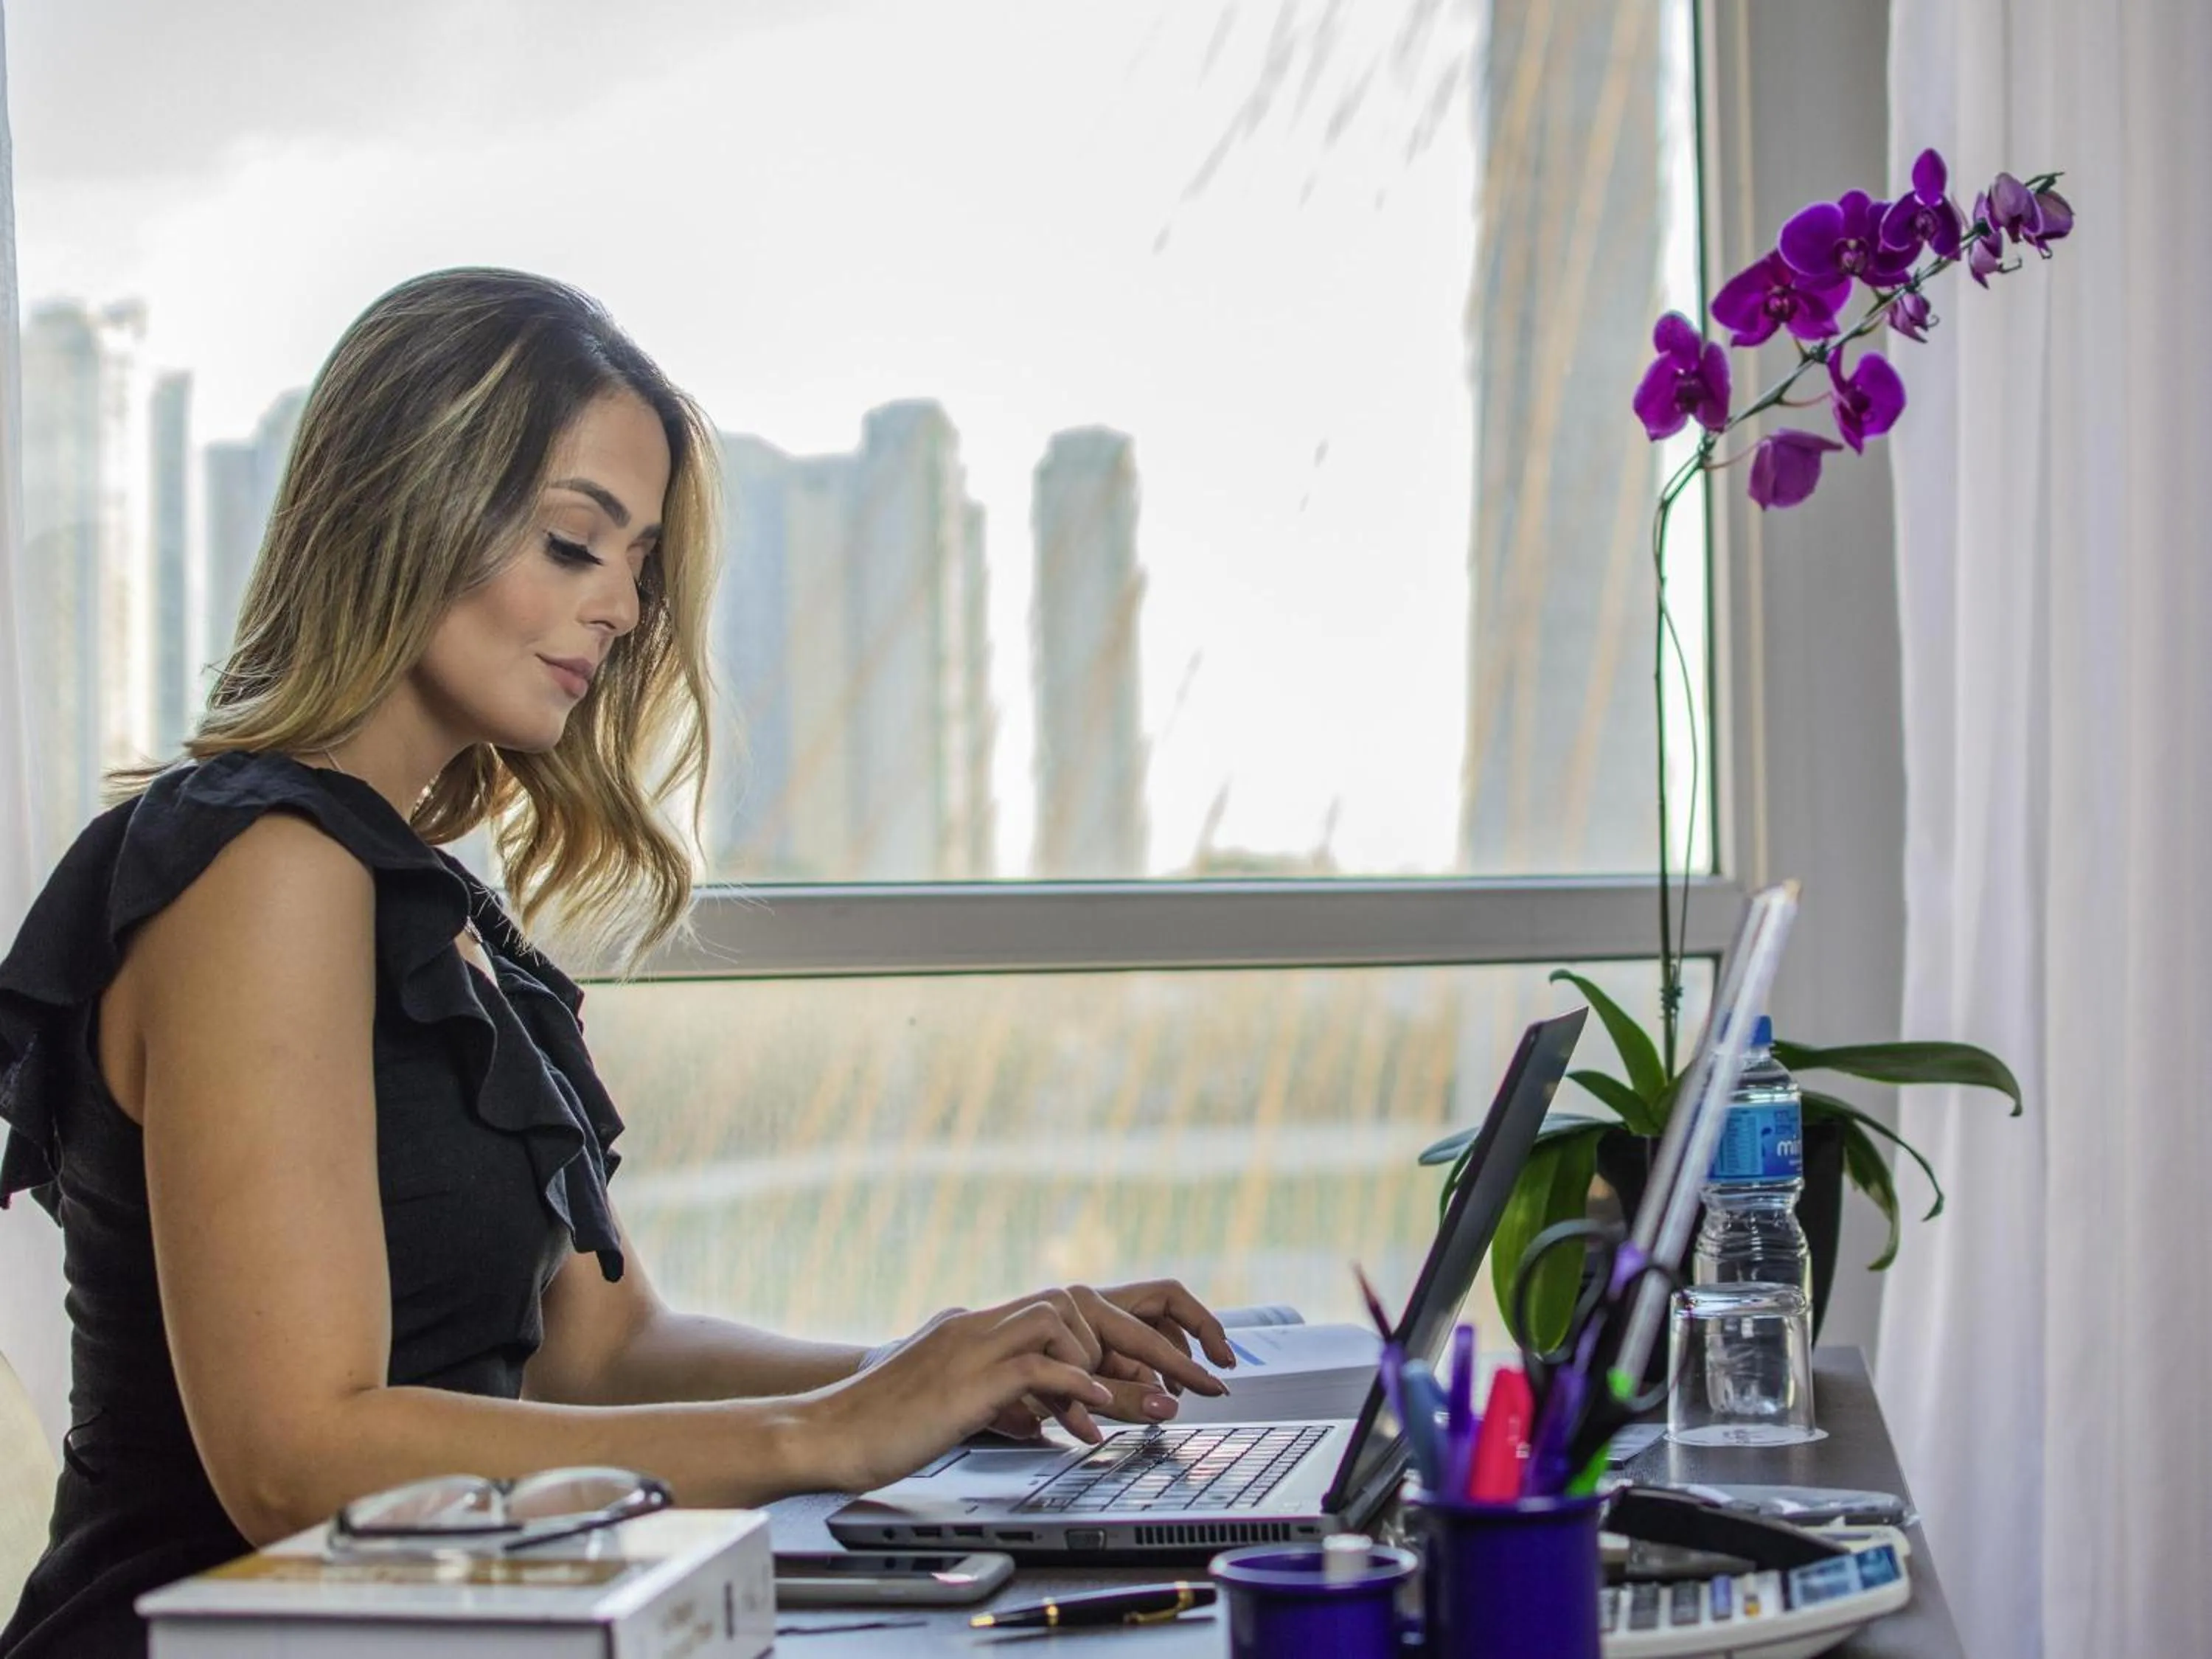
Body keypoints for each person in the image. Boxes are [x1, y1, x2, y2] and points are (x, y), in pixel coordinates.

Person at [0, 268, 1234, 1658]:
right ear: (408, 510)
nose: (627, 608)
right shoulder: (259, 868)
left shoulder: (428, 901)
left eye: (639, 560)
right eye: (576, 544)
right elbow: (291, 1460)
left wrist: (952, 1366)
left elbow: (599, 1354)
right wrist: (831, 1432)